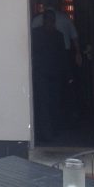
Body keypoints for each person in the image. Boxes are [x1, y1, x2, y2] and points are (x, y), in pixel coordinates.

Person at [31, 9, 67, 143]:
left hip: (50, 74)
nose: (51, 23)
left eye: (52, 21)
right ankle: (47, 132)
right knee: (45, 103)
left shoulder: (56, 35)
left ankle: (50, 131)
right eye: (49, 20)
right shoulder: (41, 35)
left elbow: (62, 56)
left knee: (51, 103)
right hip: (42, 74)